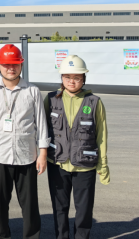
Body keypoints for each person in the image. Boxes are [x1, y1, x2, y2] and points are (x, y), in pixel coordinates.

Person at [0, 44, 49, 239]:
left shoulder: (32, 91)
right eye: (6, 64)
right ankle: (1, 236)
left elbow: (41, 123)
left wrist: (42, 153)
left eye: (15, 64)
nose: (11, 68)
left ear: (21, 65)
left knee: (30, 205)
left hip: (27, 156)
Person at [45, 55, 110, 239]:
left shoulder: (95, 102)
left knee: (84, 209)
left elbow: (102, 135)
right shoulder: (51, 99)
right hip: (57, 162)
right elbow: (41, 129)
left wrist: (103, 165)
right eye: (67, 77)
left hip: (85, 165)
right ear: (62, 78)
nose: (71, 81)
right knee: (59, 208)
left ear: (83, 79)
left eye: (76, 77)